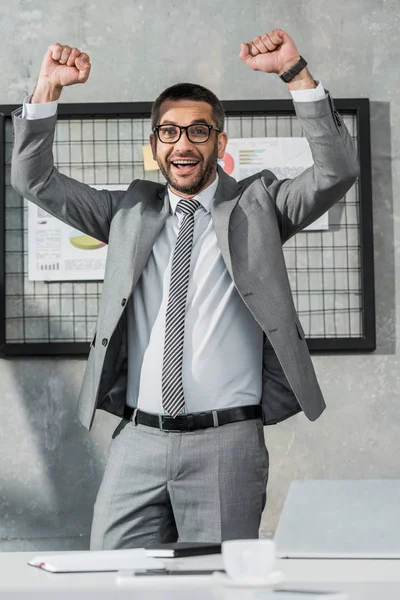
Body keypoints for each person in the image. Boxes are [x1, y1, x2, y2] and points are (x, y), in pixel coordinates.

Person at [11, 29, 358, 549]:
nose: (183, 143)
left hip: (227, 444)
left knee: (217, 585)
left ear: (220, 143)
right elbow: (32, 180)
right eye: (169, 133)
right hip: (137, 442)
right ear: (155, 146)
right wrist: (47, 92)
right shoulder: (126, 211)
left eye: (199, 132)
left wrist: (296, 75)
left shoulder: (258, 207)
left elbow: (337, 171)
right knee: (113, 581)